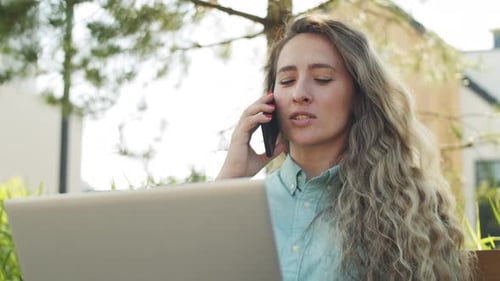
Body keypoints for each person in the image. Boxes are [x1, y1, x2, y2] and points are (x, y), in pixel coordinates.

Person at [217, 14, 476, 281]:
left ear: (359, 96)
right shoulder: (242, 205)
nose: (300, 93)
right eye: (286, 81)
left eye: (322, 78)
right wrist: (230, 178)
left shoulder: (406, 207)